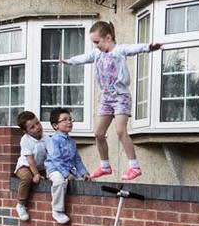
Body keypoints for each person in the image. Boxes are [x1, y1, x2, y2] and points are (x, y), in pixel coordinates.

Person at [61, 20, 159, 181]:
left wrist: (149, 47)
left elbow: (134, 49)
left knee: (120, 130)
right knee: (98, 133)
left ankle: (134, 167)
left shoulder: (119, 50)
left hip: (120, 96)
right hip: (106, 98)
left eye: (97, 42)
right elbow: (83, 58)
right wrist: (69, 61)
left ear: (108, 37)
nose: (96, 46)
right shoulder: (97, 54)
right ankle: (105, 166)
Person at [44, 107, 88, 224]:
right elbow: (56, 159)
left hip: (68, 170)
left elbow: (77, 159)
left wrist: (84, 173)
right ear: (55, 125)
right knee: (59, 181)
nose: (69, 122)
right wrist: (66, 174)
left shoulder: (71, 141)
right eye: (64, 119)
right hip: (54, 169)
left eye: (70, 119)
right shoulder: (53, 140)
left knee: (84, 182)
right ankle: (57, 210)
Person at [12, 111, 46, 222]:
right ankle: (21, 205)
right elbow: (30, 160)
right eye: (32, 127)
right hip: (25, 166)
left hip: (41, 167)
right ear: (25, 131)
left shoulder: (46, 138)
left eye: (38, 123)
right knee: (26, 178)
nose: (37, 127)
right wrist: (35, 174)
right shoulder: (25, 140)